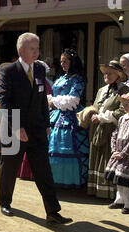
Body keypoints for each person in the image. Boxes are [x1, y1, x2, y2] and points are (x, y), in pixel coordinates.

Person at [0, 32, 72, 224]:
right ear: (21, 50)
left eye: (38, 49)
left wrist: (46, 123)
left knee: (43, 170)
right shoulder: (8, 72)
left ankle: (53, 211)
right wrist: (16, 127)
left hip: (37, 129)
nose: (36, 52)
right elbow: (3, 102)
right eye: (32, 49)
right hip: (14, 130)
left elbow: (42, 100)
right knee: (9, 168)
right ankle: (5, 201)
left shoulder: (39, 70)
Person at [86, 60, 129, 199]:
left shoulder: (124, 90)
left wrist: (103, 117)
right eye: (105, 73)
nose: (107, 75)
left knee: (107, 157)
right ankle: (95, 189)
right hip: (97, 128)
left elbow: (123, 111)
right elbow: (95, 106)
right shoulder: (101, 90)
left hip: (112, 130)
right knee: (96, 156)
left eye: (110, 73)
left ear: (118, 75)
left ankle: (107, 192)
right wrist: (92, 114)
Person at [47, 49, 89, 189]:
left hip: (70, 115)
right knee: (52, 143)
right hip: (56, 114)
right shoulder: (61, 77)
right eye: (61, 61)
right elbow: (53, 97)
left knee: (67, 143)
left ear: (72, 62)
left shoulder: (77, 79)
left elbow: (73, 100)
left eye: (65, 61)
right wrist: (52, 101)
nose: (62, 64)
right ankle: (52, 179)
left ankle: (70, 180)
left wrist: (53, 101)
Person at [104, 92, 129, 214]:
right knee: (119, 178)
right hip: (118, 153)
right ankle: (119, 199)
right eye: (124, 104)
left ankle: (128, 203)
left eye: (128, 104)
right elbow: (115, 133)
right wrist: (114, 149)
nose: (125, 107)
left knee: (127, 181)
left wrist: (123, 153)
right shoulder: (122, 118)